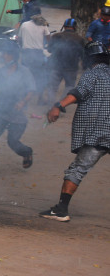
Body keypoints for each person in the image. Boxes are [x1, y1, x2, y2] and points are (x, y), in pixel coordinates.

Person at [40, 41, 110, 222]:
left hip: (98, 133)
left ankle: (61, 209)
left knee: (78, 168)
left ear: (89, 58)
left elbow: (79, 92)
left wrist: (58, 105)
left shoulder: (92, 73)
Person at [0, 40, 36, 175]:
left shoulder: (24, 72)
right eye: (3, 53)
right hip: (2, 110)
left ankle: (27, 152)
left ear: (13, 56)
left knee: (12, 142)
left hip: (17, 113)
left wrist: (22, 102)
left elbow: (31, 90)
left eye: (6, 54)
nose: (3, 56)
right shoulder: (1, 71)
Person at [46, 18, 84, 102]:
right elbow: (82, 54)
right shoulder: (79, 39)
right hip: (71, 68)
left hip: (56, 66)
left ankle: (51, 106)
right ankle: (60, 106)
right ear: (74, 27)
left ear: (64, 26)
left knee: (52, 88)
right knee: (69, 87)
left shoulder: (56, 36)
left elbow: (49, 50)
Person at [18, 9, 50, 104]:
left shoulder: (24, 25)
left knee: (25, 75)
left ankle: (23, 97)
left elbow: (19, 39)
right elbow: (49, 39)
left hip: (26, 53)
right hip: (38, 54)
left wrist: (23, 46)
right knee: (40, 77)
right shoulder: (43, 25)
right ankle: (40, 99)